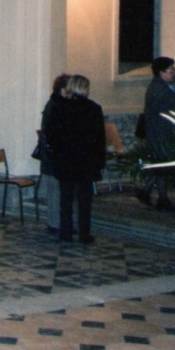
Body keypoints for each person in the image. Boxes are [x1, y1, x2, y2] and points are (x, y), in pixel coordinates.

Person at [44, 75, 105, 244]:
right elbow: (99, 138)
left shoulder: (61, 108)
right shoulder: (93, 108)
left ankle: (66, 232)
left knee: (66, 199)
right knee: (85, 200)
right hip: (86, 161)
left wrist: (58, 155)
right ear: (83, 89)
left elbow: (52, 135)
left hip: (66, 160)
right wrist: (99, 161)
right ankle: (84, 234)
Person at [138, 56, 175, 212]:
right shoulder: (159, 89)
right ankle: (157, 196)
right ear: (161, 72)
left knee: (161, 166)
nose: (174, 73)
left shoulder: (160, 86)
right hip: (160, 132)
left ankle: (150, 192)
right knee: (162, 165)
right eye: (171, 70)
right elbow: (170, 111)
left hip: (160, 132)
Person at [37, 73, 71, 236]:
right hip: (53, 156)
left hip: (55, 155)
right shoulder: (55, 105)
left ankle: (56, 223)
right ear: (63, 89)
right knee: (54, 191)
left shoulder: (56, 104)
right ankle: (54, 223)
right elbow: (51, 133)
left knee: (56, 191)